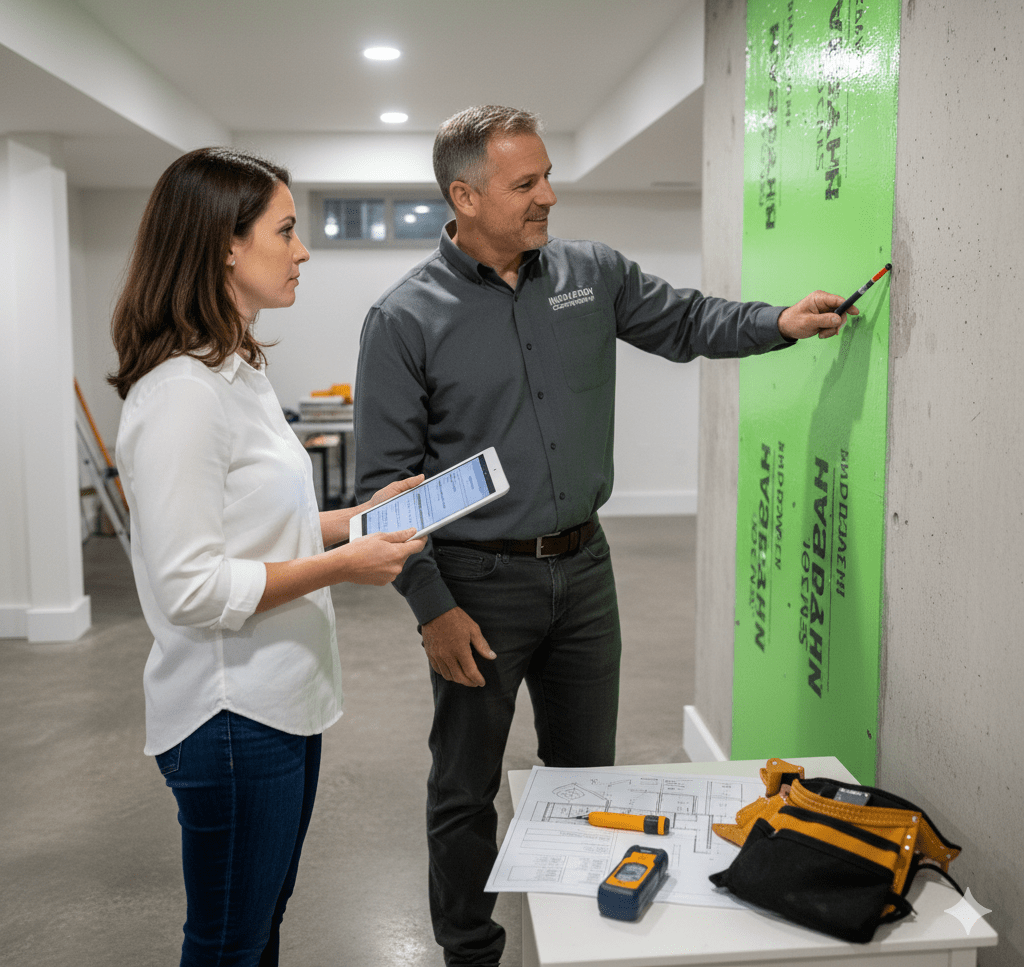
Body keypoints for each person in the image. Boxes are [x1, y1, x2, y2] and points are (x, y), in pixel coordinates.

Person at [353, 106, 857, 966]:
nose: (549, 194)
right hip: (478, 582)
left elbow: (689, 321)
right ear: (464, 196)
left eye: (548, 175)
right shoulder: (404, 318)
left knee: (590, 780)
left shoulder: (592, 275)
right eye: (526, 183)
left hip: (585, 571)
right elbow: (382, 491)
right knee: (464, 787)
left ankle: (579, 936)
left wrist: (780, 321)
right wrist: (432, 608)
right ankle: (471, 949)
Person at [108, 147, 426, 967]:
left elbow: (259, 524)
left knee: (259, 929)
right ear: (225, 245)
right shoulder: (180, 394)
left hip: (280, 704)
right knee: (227, 943)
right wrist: (345, 566)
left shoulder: (235, 370)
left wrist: (355, 520)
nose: (304, 249)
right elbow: (190, 587)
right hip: (230, 719)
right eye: (286, 230)